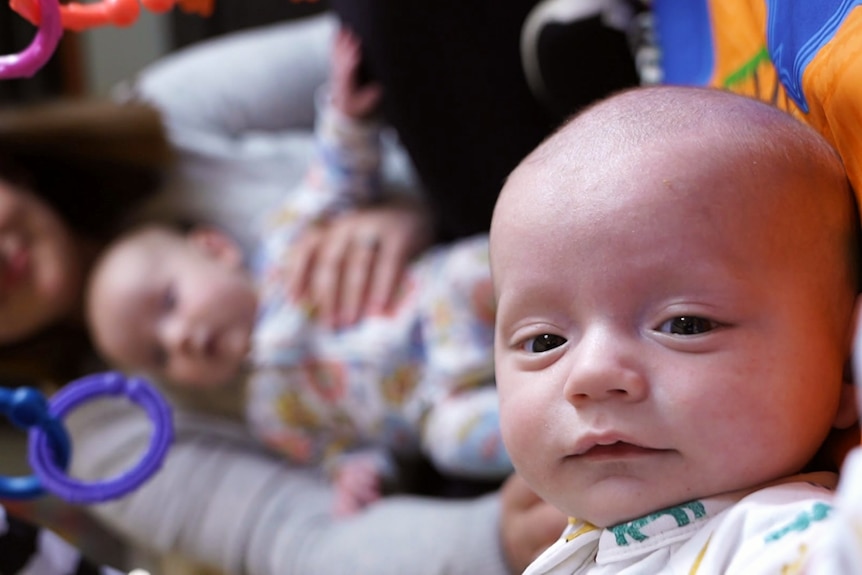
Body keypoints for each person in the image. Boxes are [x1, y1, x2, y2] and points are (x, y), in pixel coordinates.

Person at [0, 14, 566, 575]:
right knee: (456, 444)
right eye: (159, 356)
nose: (181, 339)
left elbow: (356, 80)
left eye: (170, 304)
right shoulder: (120, 436)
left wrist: (412, 204)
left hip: (471, 257)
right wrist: (489, 532)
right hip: (434, 406)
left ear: (217, 248)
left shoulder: (275, 241)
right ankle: (565, 422)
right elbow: (305, 531)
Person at [490, 84, 862, 573]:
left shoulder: (778, 540)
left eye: (685, 325)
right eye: (545, 342)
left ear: (844, 370)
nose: (593, 375)